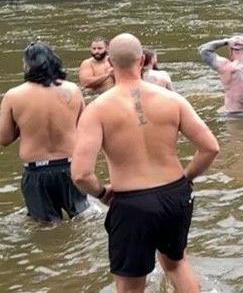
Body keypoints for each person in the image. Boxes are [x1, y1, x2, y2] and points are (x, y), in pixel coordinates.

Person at [72, 33, 220, 292]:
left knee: (131, 284)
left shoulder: (97, 109)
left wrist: (102, 193)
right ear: (142, 60)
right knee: (177, 264)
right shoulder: (173, 100)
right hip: (174, 195)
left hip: (131, 203)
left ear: (110, 63)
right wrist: (186, 179)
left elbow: (81, 174)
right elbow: (210, 148)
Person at [0, 42, 89, 222]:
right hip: (70, 167)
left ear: (27, 65)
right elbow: (85, 128)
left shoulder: (14, 95)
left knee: (46, 228)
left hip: (36, 171)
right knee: (82, 219)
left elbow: (5, 138)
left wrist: (24, 123)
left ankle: (51, 251)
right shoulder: (73, 90)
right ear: (54, 61)